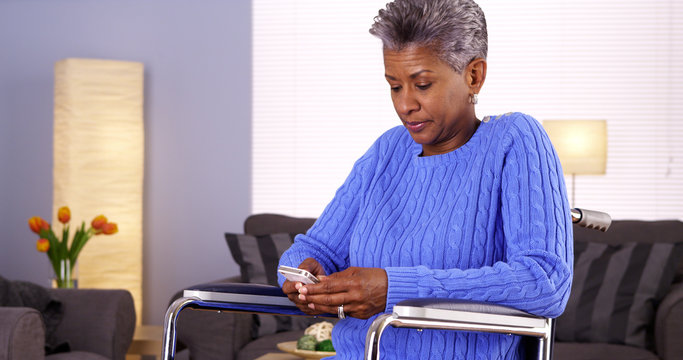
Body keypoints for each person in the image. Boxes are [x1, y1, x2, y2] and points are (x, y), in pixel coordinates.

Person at [279, 0, 573, 358]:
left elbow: (545, 281)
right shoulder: (388, 151)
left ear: (473, 76)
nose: (405, 105)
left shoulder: (514, 140)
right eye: (394, 86)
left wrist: (392, 289)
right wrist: (298, 277)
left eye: (422, 84)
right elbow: (315, 249)